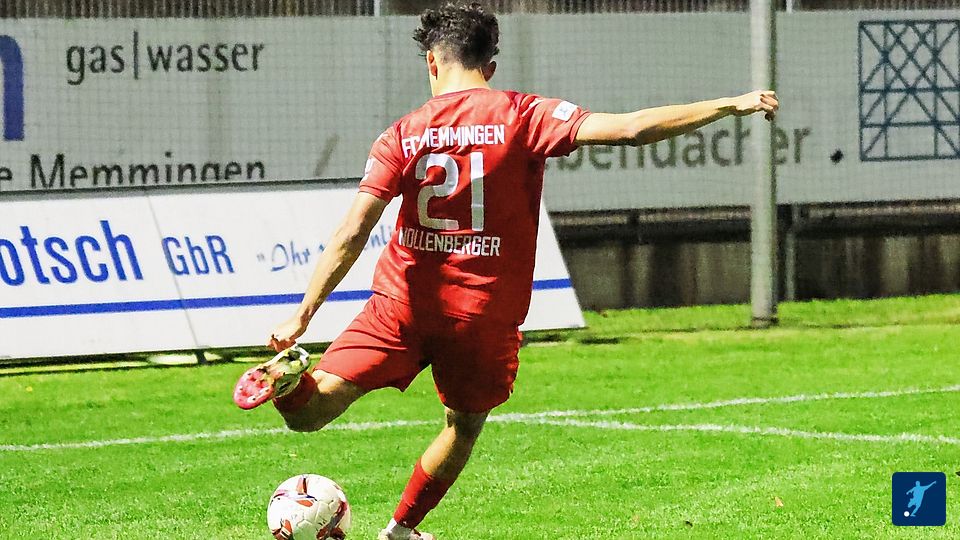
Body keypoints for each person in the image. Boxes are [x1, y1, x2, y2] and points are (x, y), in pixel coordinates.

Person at [233, 4, 779, 539]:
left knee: (309, 414)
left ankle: (292, 383)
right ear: (489, 66)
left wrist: (304, 313)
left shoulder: (402, 134)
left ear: (432, 62)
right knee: (463, 425)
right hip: (480, 316)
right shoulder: (523, 115)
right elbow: (633, 129)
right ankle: (400, 530)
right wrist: (728, 104)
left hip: (402, 304)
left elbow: (354, 229)